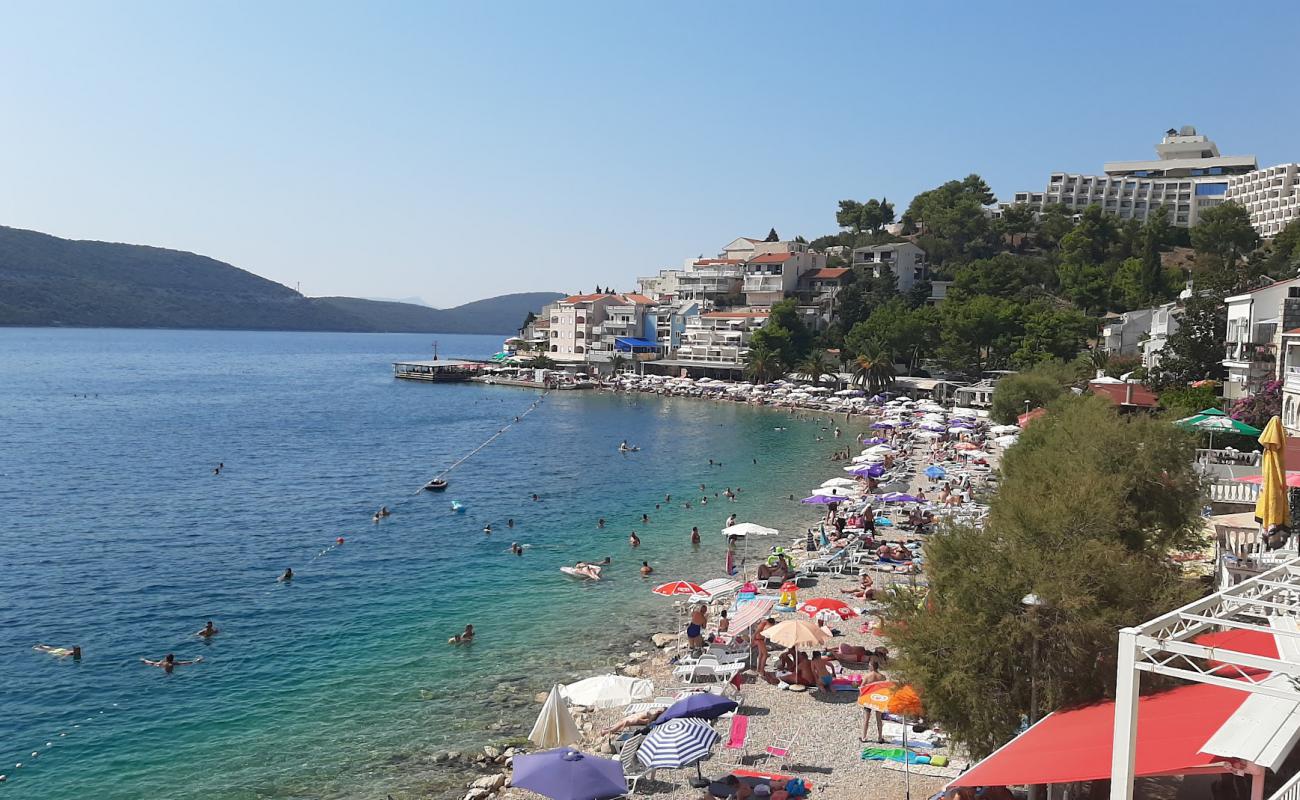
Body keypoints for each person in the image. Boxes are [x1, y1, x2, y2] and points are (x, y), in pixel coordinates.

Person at [861, 660, 888, 742]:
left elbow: (862, 687)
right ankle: (880, 737)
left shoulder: (867, 676)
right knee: (879, 719)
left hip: (869, 698)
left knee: (866, 719)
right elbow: (885, 689)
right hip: (878, 699)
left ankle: (864, 737)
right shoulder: (882, 677)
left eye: (869, 665)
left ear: (872, 666)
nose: (868, 667)